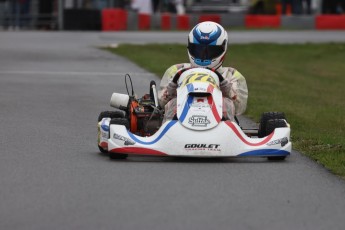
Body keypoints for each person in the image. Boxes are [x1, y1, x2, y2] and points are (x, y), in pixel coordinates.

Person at [158, 21, 248, 122]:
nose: (203, 55)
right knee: (174, 103)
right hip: (178, 123)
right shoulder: (176, 70)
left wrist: (226, 89)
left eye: (210, 51)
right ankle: (170, 129)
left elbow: (239, 107)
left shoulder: (231, 74)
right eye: (198, 50)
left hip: (219, 125)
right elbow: (162, 103)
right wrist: (172, 89)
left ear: (223, 49)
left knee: (226, 104)